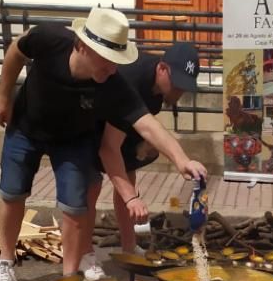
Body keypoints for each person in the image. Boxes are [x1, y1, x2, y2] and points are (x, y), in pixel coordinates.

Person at [0, 7, 206, 281]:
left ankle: (67, 280)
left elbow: (147, 125)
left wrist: (182, 159)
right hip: (26, 127)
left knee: (74, 207)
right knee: (13, 193)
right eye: (109, 60)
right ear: (83, 47)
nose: (114, 68)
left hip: (72, 139)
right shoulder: (49, 38)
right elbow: (16, 50)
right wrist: (3, 96)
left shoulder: (113, 83)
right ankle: (5, 263)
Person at [86, 43, 200, 255]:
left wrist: (181, 160)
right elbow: (109, 147)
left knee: (128, 178)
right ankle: (85, 255)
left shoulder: (159, 89)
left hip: (116, 123)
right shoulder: (133, 79)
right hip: (88, 119)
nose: (179, 91)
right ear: (162, 68)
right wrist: (131, 198)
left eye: (184, 87)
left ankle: (129, 247)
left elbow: (147, 126)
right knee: (90, 186)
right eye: (177, 85)